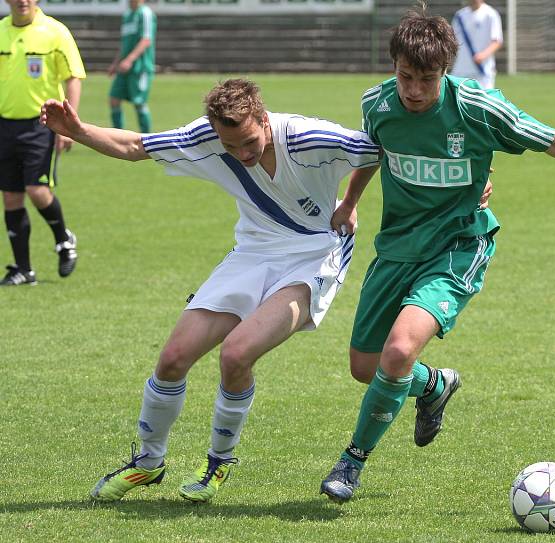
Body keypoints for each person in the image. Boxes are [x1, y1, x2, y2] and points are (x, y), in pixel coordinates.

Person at [319, 6, 555, 504]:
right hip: (397, 248)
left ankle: (350, 463)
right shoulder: (377, 103)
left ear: (446, 72)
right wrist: (351, 201)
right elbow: (373, 151)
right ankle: (435, 384)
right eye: (405, 77)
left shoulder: (480, 109)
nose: (414, 90)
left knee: (397, 353)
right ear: (392, 65)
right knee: (365, 365)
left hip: (457, 247)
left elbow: (553, 140)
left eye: (427, 79)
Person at [40, 78, 382, 503]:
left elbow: (378, 147)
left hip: (314, 254)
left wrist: (349, 202)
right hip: (253, 250)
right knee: (172, 359)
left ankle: (219, 463)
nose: (241, 154)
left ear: (263, 117)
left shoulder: (309, 137)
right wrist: (77, 130)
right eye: (230, 146)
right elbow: (135, 146)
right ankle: (148, 464)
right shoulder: (208, 137)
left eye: (249, 141)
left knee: (237, 354)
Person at [0, 0, 83, 286]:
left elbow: (72, 77)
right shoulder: (0, 32)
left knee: (37, 190)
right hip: (5, 125)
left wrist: (68, 126)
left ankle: (63, 239)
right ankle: (23, 270)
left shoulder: (55, 32)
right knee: (10, 197)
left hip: (42, 124)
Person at [108, 0, 156, 133]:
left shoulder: (145, 13)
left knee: (139, 103)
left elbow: (146, 40)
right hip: (123, 67)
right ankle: (118, 136)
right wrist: (115, 63)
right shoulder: (127, 15)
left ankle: (147, 139)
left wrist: (129, 60)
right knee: (114, 99)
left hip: (140, 67)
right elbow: (124, 44)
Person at [450, 0, 503, 89]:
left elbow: (497, 41)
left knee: (483, 101)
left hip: (482, 70)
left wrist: (483, 55)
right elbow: (452, 39)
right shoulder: (460, 15)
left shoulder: (491, 14)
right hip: (460, 70)